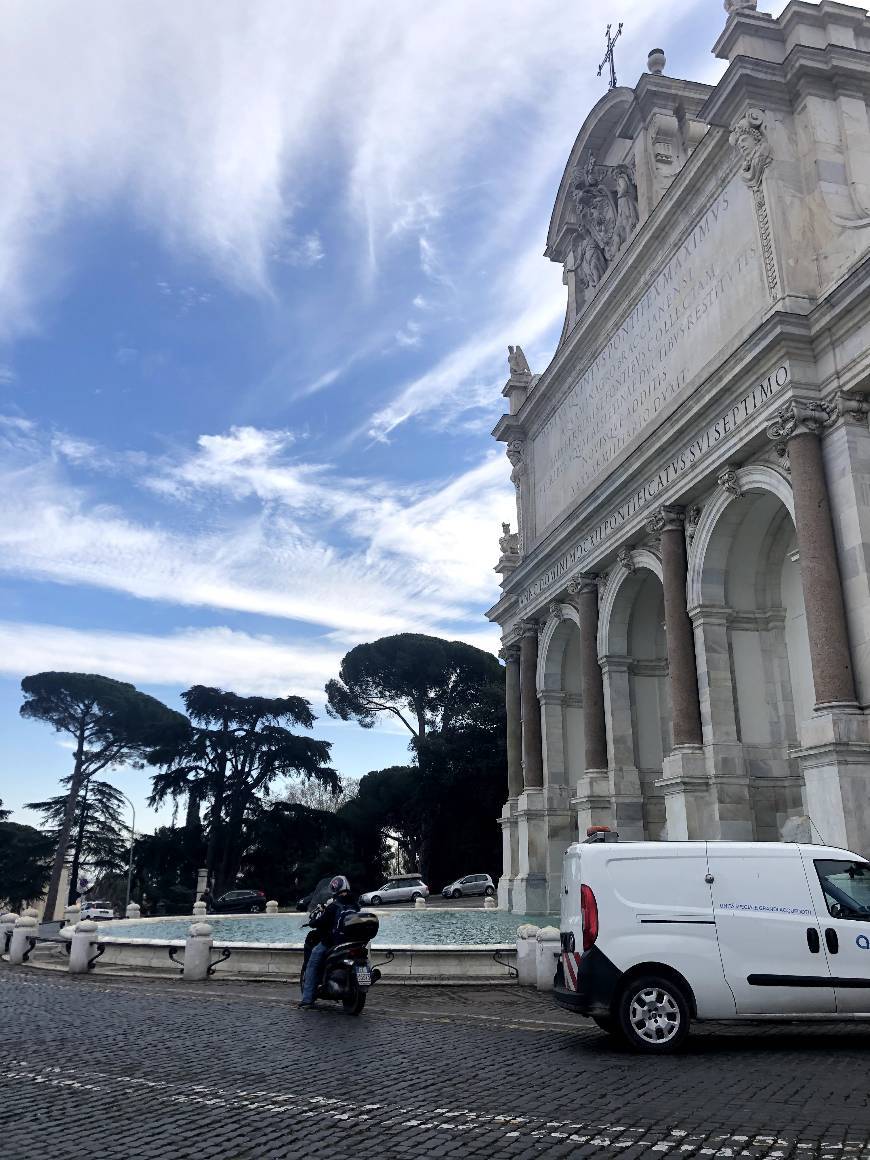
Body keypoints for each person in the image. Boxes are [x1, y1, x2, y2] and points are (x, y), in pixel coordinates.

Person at [298, 874, 359, 1009]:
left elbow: (322, 922)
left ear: (334, 888)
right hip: (353, 941)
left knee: (312, 963)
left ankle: (307, 999)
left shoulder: (334, 906)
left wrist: (313, 922)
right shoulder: (355, 904)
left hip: (333, 942)